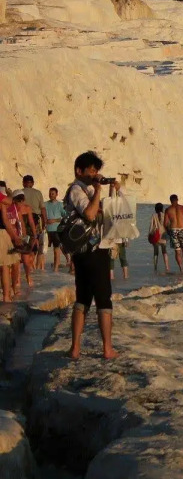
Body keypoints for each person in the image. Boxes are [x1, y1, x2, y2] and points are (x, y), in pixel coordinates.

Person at [65, 151, 118, 360]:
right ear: (80, 171)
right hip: (92, 251)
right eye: (92, 170)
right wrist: (97, 190)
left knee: (83, 298)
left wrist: (112, 192)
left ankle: (75, 349)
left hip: (86, 251)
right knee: (103, 299)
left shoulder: (84, 189)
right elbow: (89, 214)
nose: (96, 174)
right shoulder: (77, 190)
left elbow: (107, 213)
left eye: (97, 170)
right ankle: (107, 349)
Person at [0, 190, 24, 302]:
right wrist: (15, 237)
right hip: (1, 234)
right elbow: (5, 221)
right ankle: (6, 295)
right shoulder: (2, 201)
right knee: (5, 265)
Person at [163, 194, 183, 273]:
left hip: (173, 230)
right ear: (177, 200)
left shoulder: (168, 210)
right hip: (182, 229)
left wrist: (168, 231)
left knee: (177, 251)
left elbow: (165, 223)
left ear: (170, 201)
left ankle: (181, 268)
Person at [20, 176, 46, 270]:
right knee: (34, 241)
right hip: (35, 218)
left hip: (21, 218)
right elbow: (43, 209)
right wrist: (44, 222)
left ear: (23, 183)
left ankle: (26, 265)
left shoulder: (20, 192)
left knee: (22, 242)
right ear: (33, 183)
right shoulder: (38, 193)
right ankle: (30, 264)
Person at [44, 187, 65, 272]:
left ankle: (55, 269)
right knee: (43, 251)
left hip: (57, 229)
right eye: (50, 193)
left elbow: (65, 217)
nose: (51, 195)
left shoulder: (60, 205)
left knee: (56, 249)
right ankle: (40, 269)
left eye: (52, 193)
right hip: (47, 230)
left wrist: (54, 220)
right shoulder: (45, 204)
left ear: (56, 194)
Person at [149, 203, 169, 272]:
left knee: (156, 252)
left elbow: (151, 227)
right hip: (163, 236)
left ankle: (155, 268)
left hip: (156, 236)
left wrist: (149, 235)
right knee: (164, 252)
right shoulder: (165, 215)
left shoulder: (154, 215)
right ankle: (167, 267)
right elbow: (167, 225)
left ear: (156, 209)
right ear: (162, 208)